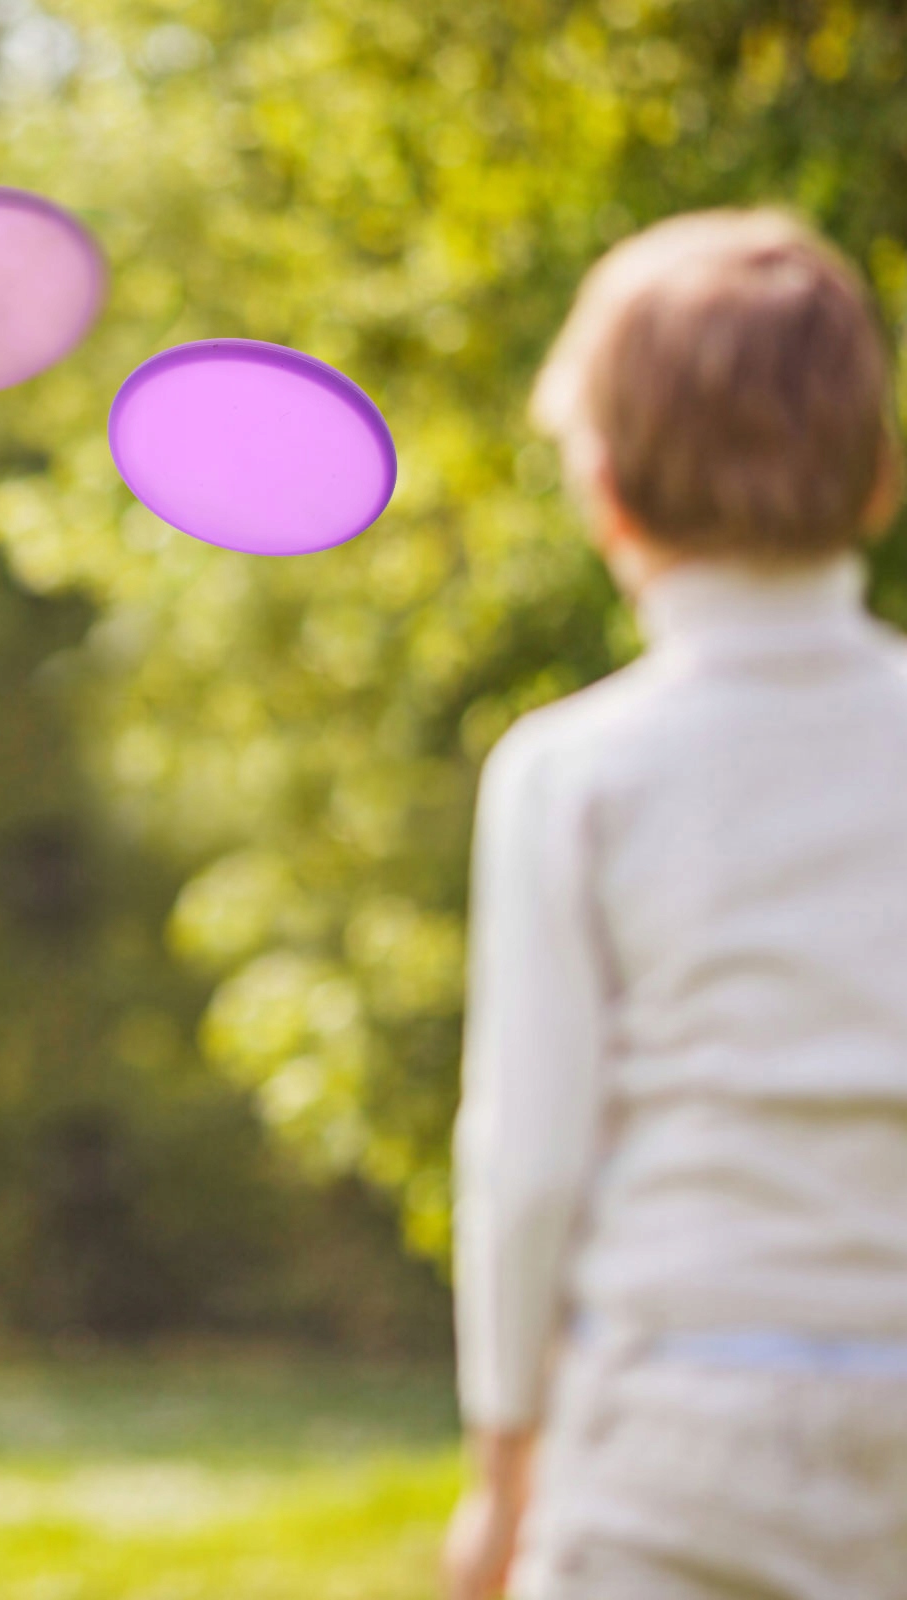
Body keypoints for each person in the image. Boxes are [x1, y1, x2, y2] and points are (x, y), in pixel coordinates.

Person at [444, 209, 907, 1600]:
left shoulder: (571, 770)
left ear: (606, 491)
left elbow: (528, 1159)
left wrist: (504, 1466)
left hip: (674, 1417)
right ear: (879, 475)